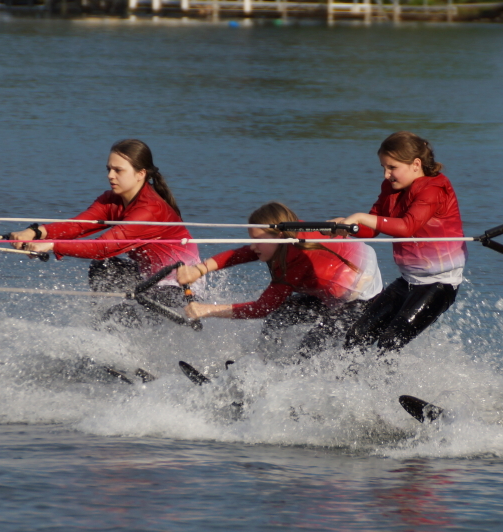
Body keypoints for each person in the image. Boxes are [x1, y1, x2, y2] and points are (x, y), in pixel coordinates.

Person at [9, 139, 200, 320]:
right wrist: (34, 232)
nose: (110, 176)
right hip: (149, 279)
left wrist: (51, 245)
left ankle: (114, 340)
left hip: (181, 286)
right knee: (103, 268)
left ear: (140, 174)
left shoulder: (150, 209)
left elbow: (102, 248)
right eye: (109, 169)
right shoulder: (111, 199)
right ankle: (99, 325)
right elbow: (78, 225)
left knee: (121, 314)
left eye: (118, 170)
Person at [175, 202, 383, 361]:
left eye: (258, 240)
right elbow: (245, 253)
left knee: (312, 344)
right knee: (279, 317)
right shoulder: (287, 233)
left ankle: (298, 387)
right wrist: (198, 270)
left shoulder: (294, 261)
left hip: (362, 297)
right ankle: (263, 363)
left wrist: (206, 310)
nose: (252, 246)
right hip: (331, 288)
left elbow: (261, 308)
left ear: (279, 235)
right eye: (252, 239)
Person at [330, 131, 467, 354]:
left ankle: (387, 387)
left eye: (392, 167)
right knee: (356, 336)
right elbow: (373, 229)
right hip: (408, 281)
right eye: (383, 167)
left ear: (416, 164)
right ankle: (347, 384)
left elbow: (406, 226)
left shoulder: (434, 189)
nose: (386, 174)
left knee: (389, 342)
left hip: (439, 284)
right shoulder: (390, 189)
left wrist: (361, 217)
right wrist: (347, 227)